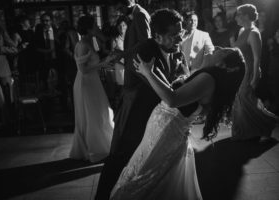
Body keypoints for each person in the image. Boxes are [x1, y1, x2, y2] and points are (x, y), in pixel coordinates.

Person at [110, 45, 245, 199]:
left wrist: (148, 73)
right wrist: (153, 72)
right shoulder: (208, 76)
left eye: (225, 51)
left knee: (143, 176)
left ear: (223, 64)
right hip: (163, 126)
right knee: (144, 171)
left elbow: (172, 99)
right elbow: (177, 93)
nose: (219, 47)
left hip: (166, 130)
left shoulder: (208, 79)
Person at [95, 8, 186, 200]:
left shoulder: (172, 49)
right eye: (175, 35)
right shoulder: (144, 53)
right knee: (119, 160)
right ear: (158, 37)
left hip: (153, 115)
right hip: (134, 115)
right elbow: (168, 90)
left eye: (181, 33)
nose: (180, 39)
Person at [69, 15, 115, 163]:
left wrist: (105, 63)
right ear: (88, 28)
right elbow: (83, 69)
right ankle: (94, 149)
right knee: (93, 114)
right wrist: (103, 63)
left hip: (92, 81)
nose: (97, 27)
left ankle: (100, 145)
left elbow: (91, 64)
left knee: (99, 112)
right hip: (85, 83)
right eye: (95, 25)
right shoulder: (82, 44)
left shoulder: (90, 41)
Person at [231, 4, 277, 142]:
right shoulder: (241, 31)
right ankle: (246, 131)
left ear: (246, 16)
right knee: (241, 101)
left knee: (248, 100)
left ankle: (268, 124)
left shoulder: (253, 32)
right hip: (240, 71)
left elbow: (257, 58)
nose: (236, 17)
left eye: (238, 14)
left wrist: (255, 76)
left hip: (249, 71)